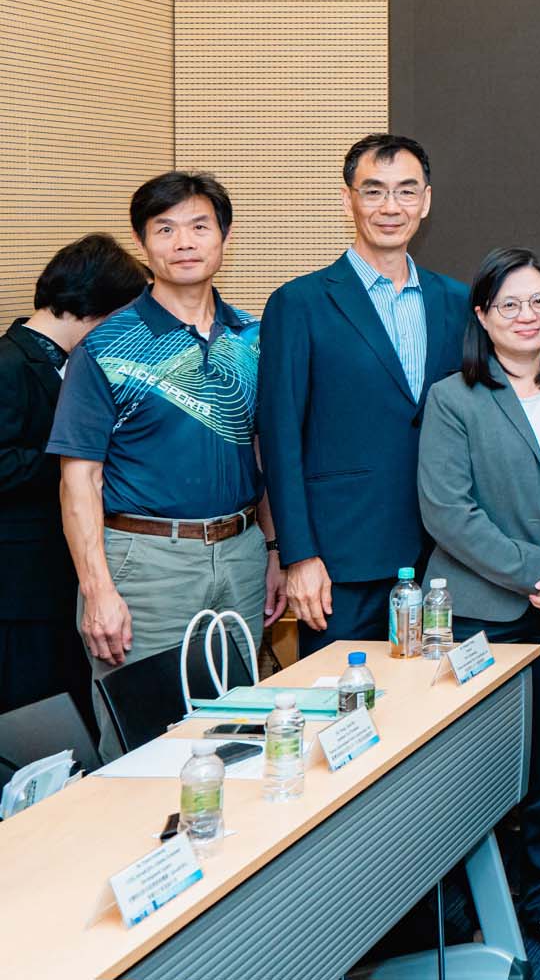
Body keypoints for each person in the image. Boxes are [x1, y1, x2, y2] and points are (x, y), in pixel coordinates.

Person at [418, 248, 540, 962]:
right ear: (482, 315)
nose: (527, 316)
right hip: (482, 610)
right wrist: (539, 571)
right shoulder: (454, 398)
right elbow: (448, 512)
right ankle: (473, 903)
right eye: (510, 304)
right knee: (476, 764)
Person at [48, 172, 283, 760]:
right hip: (144, 564)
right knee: (144, 742)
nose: (184, 242)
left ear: (224, 237)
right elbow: (79, 479)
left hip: (241, 554)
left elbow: (263, 452)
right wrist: (97, 589)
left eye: (200, 226)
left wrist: (274, 550)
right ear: (143, 242)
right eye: (166, 229)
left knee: (237, 734)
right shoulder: (107, 345)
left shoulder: (253, 338)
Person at [260, 134, 466, 653]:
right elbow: (280, 438)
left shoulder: (457, 301)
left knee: (435, 696)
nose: (391, 207)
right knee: (343, 696)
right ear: (347, 199)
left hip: (441, 556)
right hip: (340, 562)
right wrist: (298, 556)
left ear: (426, 201)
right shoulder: (299, 303)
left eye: (406, 191)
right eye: (373, 191)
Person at [0, 235, 149, 730]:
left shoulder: (69, 365)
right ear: (96, 305)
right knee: (33, 722)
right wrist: (78, 460)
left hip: (57, 580)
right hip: (20, 590)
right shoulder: (8, 363)